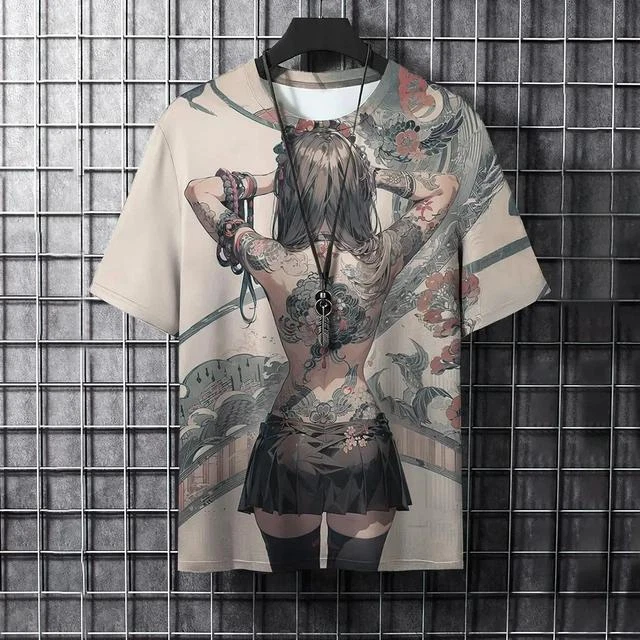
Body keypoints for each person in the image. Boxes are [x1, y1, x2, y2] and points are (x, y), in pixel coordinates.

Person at [183, 122, 459, 571]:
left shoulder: (272, 259)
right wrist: (370, 174)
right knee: (359, 589)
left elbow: (199, 191)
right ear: (356, 187)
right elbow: (445, 187)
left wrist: (270, 180)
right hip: (360, 439)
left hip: (289, 441)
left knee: (291, 591)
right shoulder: (382, 256)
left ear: (293, 190)